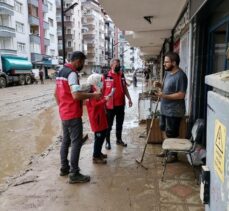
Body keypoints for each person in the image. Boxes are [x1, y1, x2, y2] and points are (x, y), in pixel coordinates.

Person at [54, 51, 101, 184]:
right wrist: (93, 96)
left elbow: (55, 94)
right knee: (76, 142)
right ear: (78, 61)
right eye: (82, 63)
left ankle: (64, 168)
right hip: (73, 114)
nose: (82, 65)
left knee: (65, 141)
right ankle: (74, 173)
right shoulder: (72, 74)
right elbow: (76, 95)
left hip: (64, 113)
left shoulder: (60, 72)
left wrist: (62, 107)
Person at [154, 52, 187, 163]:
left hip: (174, 110)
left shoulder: (181, 76)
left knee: (172, 132)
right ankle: (166, 149)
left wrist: (164, 95)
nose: (164, 64)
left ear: (174, 62)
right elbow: (167, 87)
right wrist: (160, 85)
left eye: (166, 62)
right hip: (164, 108)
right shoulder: (167, 73)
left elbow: (181, 94)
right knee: (163, 128)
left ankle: (173, 154)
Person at [103, 59, 133, 150]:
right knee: (109, 125)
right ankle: (107, 141)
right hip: (110, 106)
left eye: (119, 64)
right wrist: (102, 103)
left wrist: (129, 99)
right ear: (111, 65)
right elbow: (101, 90)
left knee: (120, 124)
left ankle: (118, 139)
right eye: (117, 64)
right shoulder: (105, 76)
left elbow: (125, 88)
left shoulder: (122, 75)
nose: (118, 66)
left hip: (121, 104)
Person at [86, 73, 111, 164]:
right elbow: (94, 104)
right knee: (99, 137)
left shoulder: (95, 89)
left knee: (102, 134)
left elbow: (98, 100)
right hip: (97, 118)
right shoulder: (91, 91)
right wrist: (105, 100)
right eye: (100, 81)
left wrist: (104, 98)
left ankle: (98, 153)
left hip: (100, 116)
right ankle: (95, 156)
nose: (101, 82)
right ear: (95, 81)